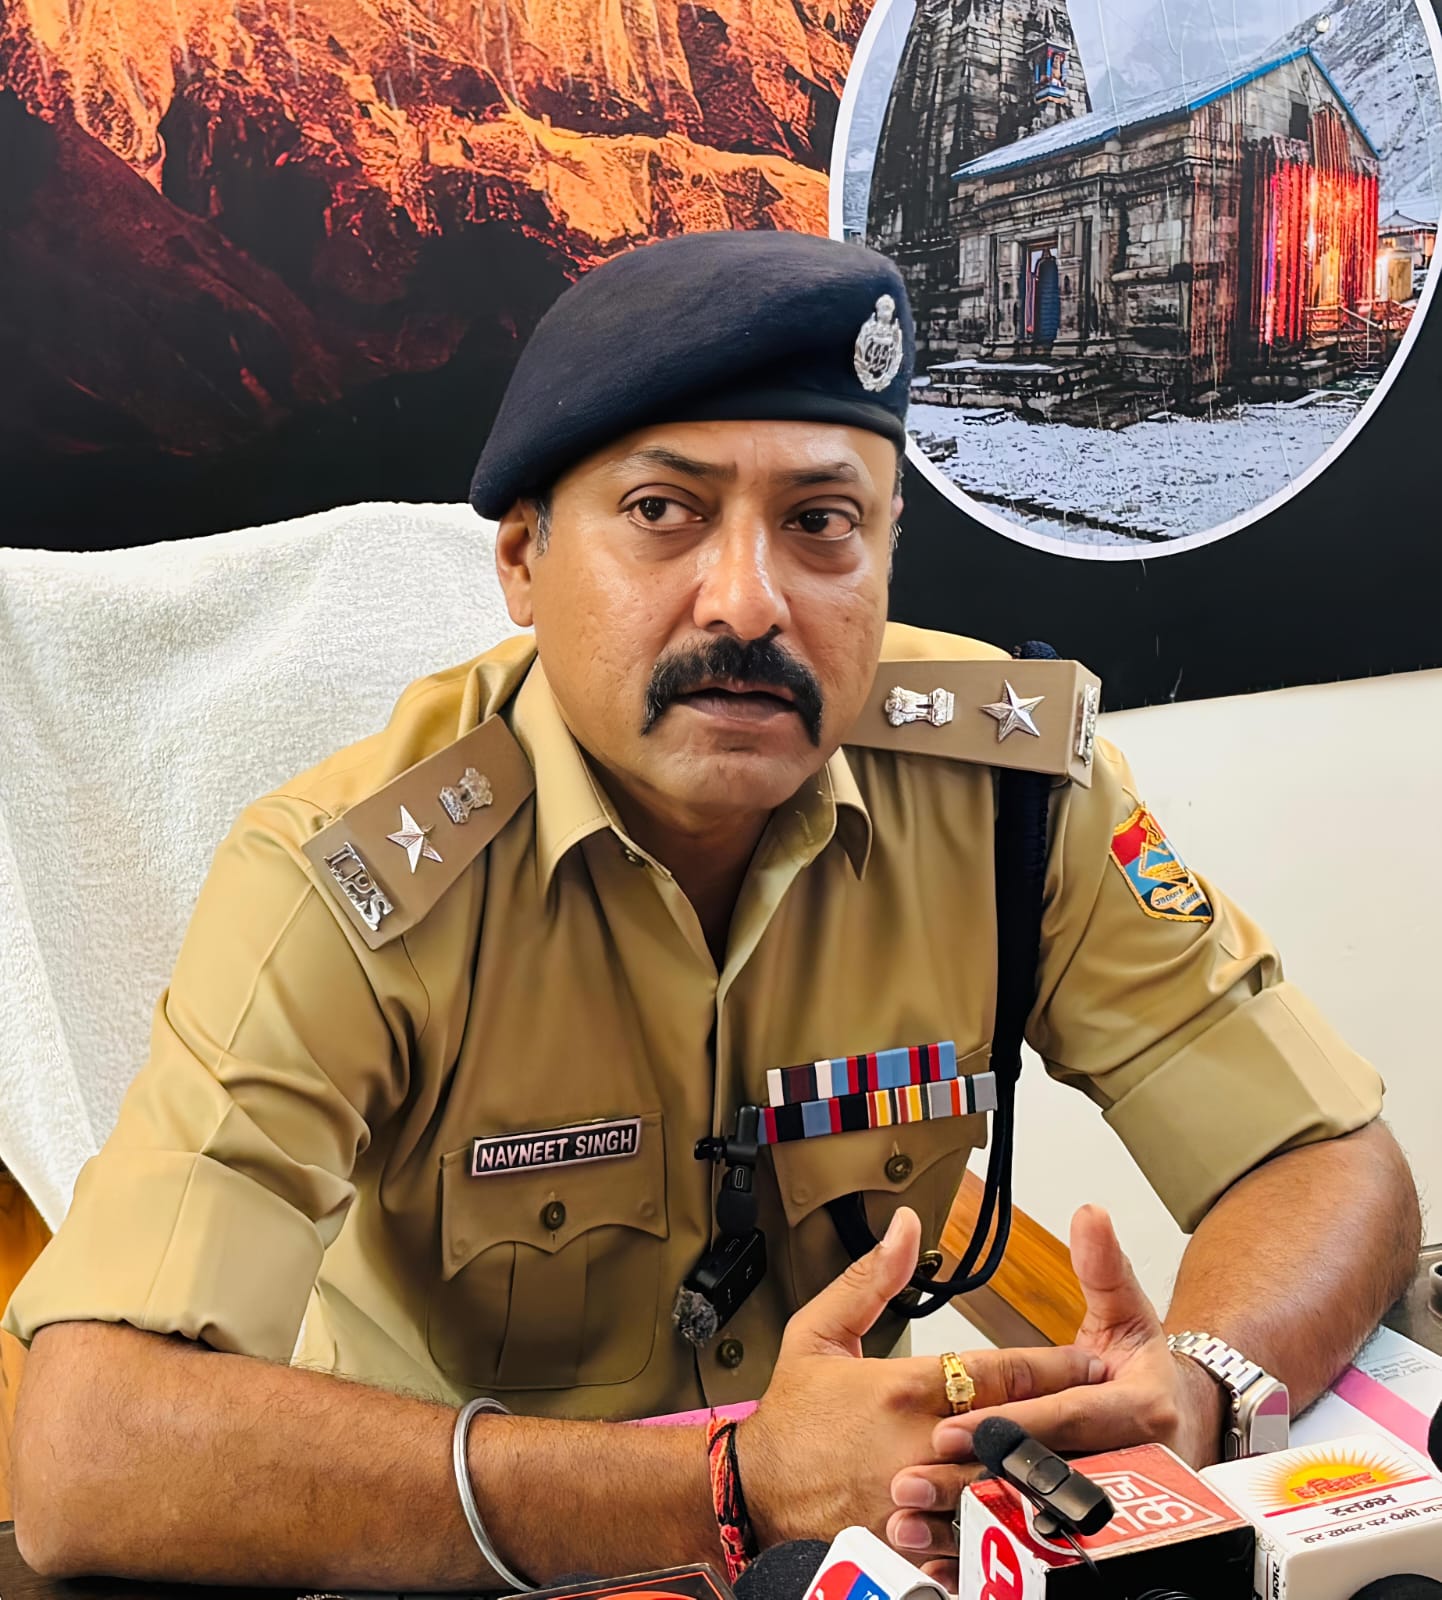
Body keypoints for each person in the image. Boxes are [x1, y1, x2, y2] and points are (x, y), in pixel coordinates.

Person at [5, 231, 1417, 1591]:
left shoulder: (1010, 796)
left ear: (886, 557)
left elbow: (1326, 1158)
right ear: (520, 560)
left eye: (821, 525)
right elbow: (88, 1449)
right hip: (462, 1553)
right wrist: (732, 1487)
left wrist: (1200, 1384)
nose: (747, 603)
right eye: (661, 513)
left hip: (874, 1543)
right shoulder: (353, 876)